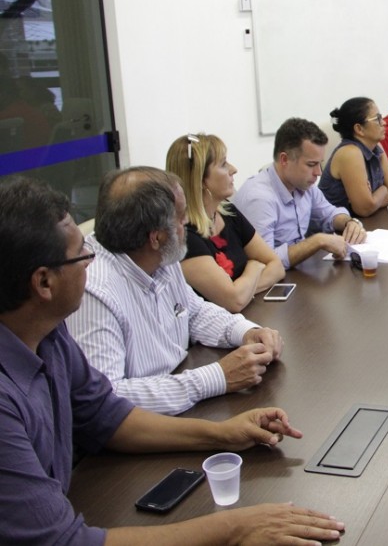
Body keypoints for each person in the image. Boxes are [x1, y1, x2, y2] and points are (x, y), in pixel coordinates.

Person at [0, 177, 345, 544]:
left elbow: (107, 415)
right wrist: (236, 528)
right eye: (82, 255)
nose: (91, 260)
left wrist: (222, 434)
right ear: (43, 283)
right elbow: (64, 542)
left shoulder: (49, 334)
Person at [66, 167, 284, 415]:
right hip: (140, 433)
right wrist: (217, 377)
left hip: (179, 393)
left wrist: (246, 332)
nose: (187, 225)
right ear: (156, 238)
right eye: (181, 219)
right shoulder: (93, 290)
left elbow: (194, 312)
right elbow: (109, 397)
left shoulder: (159, 256)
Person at [166, 133, 285, 313]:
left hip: (248, 318)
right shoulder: (185, 237)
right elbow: (234, 301)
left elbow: (276, 266)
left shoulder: (228, 213)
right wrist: (254, 267)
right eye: (223, 164)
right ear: (200, 179)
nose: (234, 169)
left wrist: (243, 290)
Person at [232, 117, 367, 268]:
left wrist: (349, 223)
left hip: (299, 273)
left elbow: (330, 214)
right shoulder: (259, 198)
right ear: (285, 159)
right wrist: (317, 241)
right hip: (272, 286)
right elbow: (266, 262)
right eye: (311, 164)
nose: (318, 172)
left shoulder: (303, 185)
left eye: (320, 163)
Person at [318, 97, 388, 217]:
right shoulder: (350, 154)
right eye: (377, 119)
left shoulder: (377, 147)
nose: (384, 122)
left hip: (362, 223)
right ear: (359, 129)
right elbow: (364, 209)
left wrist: (374, 199)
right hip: (335, 228)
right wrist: (383, 189)